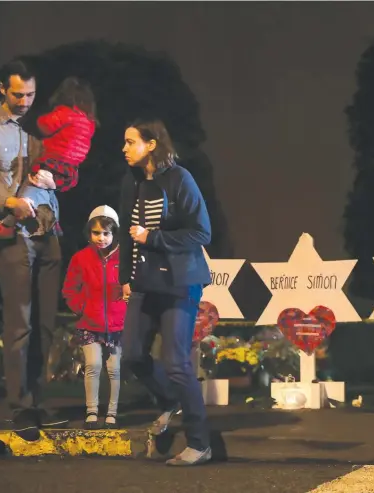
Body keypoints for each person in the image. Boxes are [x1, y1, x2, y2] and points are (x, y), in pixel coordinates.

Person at [0, 59, 67, 430]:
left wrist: (57, 181)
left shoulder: (40, 128)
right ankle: (20, 404)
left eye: (31, 94)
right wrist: (8, 202)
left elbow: (60, 170)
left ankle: (39, 400)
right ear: (3, 89)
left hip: (49, 231)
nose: (25, 101)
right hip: (11, 233)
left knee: (46, 322)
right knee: (19, 322)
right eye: (18, 93)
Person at [119, 119, 213, 466]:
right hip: (144, 283)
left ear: (152, 144)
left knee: (176, 361)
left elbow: (201, 232)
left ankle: (200, 443)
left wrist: (154, 238)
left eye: (131, 142)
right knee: (131, 355)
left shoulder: (179, 179)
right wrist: (124, 277)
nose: (124, 148)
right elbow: (128, 234)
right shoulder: (130, 182)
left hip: (179, 282)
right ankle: (171, 400)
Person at [0, 76, 97, 240]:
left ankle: (8, 224)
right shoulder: (90, 122)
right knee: (48, 191)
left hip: (54, 161)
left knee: (30, 187)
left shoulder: (66, 113)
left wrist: (37, 119)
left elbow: (45, 126)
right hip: (71, 169)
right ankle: (53, 221)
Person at [62, 205, 125, 429]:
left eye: (106, 233)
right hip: (90, 323)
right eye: (96, 233)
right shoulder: (81, 258)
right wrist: (82, 308)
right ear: (89, 233)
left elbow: (132, 286)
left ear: (114, 233)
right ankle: (91, 411)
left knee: (114, 369)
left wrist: (126, 305)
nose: (101, 238)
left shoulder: (125, 257)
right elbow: (69, 289)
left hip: (117, 324)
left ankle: (112, 413)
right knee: (93, 365)